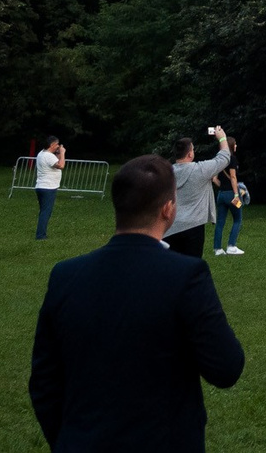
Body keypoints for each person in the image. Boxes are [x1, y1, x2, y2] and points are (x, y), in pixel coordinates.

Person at [28, 153, 244, 452]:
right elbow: (226, 367)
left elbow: (44, 383)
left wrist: (68, 439)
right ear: (168, 209)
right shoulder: (185, 276)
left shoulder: (66, 275)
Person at [165, 127, 231, 260]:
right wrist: (222, 138)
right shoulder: (200, 170)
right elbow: (224, 158)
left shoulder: (166, 172)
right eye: (193, 149)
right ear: (190, 154)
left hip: (170, 227)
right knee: (192, 266)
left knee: (172, 266)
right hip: (193, 228)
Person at [215, 155, 249, 256]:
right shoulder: (232, 158)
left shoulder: (219, 158)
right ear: (231, 146)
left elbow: (214, 179)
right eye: (234, 144)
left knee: (220, 222)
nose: (236, 146)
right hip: (232, 195)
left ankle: (217, 249)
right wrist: (236, 194)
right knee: (238, 219)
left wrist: (222, 187)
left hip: (221, 195)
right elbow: (233, 177)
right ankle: (231, 246)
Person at [35, 136, 67, 240]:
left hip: (41, 186)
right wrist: (62, 153)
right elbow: (61, 165)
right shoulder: (48, 156)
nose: (58, 146)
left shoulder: (41, 153)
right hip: (48, 187)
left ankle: (41, 233)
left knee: (43, 211)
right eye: (57, 144)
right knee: (46, 212)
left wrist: (58, 153)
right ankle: (41, 236)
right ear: (52, 145)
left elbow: (55, 162)